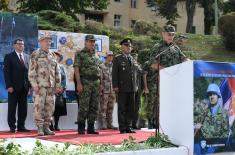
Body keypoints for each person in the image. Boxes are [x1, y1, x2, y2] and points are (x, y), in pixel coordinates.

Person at [143, 25, 187, 128]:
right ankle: (152, 121)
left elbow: (184, 59)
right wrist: (167, 70)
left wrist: (193, 63)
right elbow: (153, 64)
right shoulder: (158, 47)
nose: (170, 37)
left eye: (172, 35)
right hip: (158, 80)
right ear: (163, 34)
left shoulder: (175, 48)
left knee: (168, 102)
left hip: (172, 81)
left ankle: (165, 121)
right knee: (154, 102)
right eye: (168, 34)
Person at [28, 34, 61, 136]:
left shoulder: (53, 55)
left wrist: (58, 85)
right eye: (46, 41)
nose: (48, 43)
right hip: (40, 86)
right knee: (39, 107)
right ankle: (40, 128)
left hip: (51, 87)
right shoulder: (35, 54)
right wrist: (34, 85)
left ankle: (47, 127)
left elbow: (57, 71)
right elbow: (31, 72)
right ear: (40, 42)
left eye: (49, 41)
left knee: (50, 108)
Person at [74, 34, 101, 135]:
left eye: (93, 42)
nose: (92, 43)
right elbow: (76, 69)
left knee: (94, 106)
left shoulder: (96, 55)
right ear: (85, 42)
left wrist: (101, 83)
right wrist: (79, 84)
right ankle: (81, 127)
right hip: (85, 82)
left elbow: (99, 70)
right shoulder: (80, 53)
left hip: (96, 83)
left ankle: (91, 127)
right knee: (84, 106)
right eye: (90, 41)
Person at [3, 38, 31, 133]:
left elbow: (29, 73)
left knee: (23, 109)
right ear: (14, 45)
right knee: (12, 108)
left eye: (22, 44)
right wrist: (9, 85)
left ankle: (21, 126)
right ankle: (12, 126)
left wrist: (30, 87)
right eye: (19, 44)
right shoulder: (9, 56)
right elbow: (6, 72)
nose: (21, 45)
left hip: (25, 87)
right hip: (13, 88)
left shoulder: (27, 57)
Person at [112, 38, 136, 134]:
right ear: (122, 47)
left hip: (132, 87)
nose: (129, 48)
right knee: (122, 108)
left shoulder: (132, 58)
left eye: (130, 46)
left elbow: (134, 74)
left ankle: (128, 126)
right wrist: (115, 85)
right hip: (122, 87)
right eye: (127, 46)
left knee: (131, 108)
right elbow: (114, 73)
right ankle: (122, 127)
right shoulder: (118, 58)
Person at [99, 51, 116, 129]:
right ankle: (103, 124)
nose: (110, 57)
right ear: (106, 57)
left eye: (112, 56)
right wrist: (101, 88)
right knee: (103, 107)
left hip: (113, 90)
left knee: (111, 107)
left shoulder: (115, 66)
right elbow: (100, 78)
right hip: (105, 90)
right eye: (109, 56)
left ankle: (110, 123)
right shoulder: (101, 66)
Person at [51, 51, 67, 131]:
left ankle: (56, 125)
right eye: (54, 56)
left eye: (57, 56)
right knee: (50, 109)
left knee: (58, 110)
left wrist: (62, 88)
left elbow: (64, 79)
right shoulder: (49, 66)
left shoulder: (61, 67)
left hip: (60, 92)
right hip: (51, 91)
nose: (56, 57)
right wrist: (54, 89)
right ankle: (50, 125)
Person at [131, 52, 143, 129]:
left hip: (138, 89)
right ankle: (128, 123)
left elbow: (142, 76)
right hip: (131, 89)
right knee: (130, 106)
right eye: (133, 56)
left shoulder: (139, 66)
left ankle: (134, 123)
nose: (135, 58)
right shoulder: (129, 66)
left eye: (136, 57)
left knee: (137, 107)